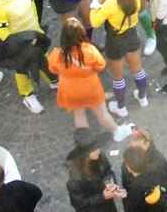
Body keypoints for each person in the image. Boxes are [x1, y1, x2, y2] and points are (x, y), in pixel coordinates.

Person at [46, 15, 131, 146]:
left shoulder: (56, 54)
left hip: (69, 89)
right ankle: (117, 131)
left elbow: (53, 69)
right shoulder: (89, 50)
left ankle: (86, 142)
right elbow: (101, 65)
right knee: (101, 113)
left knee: (79, 114)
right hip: (90, 87)